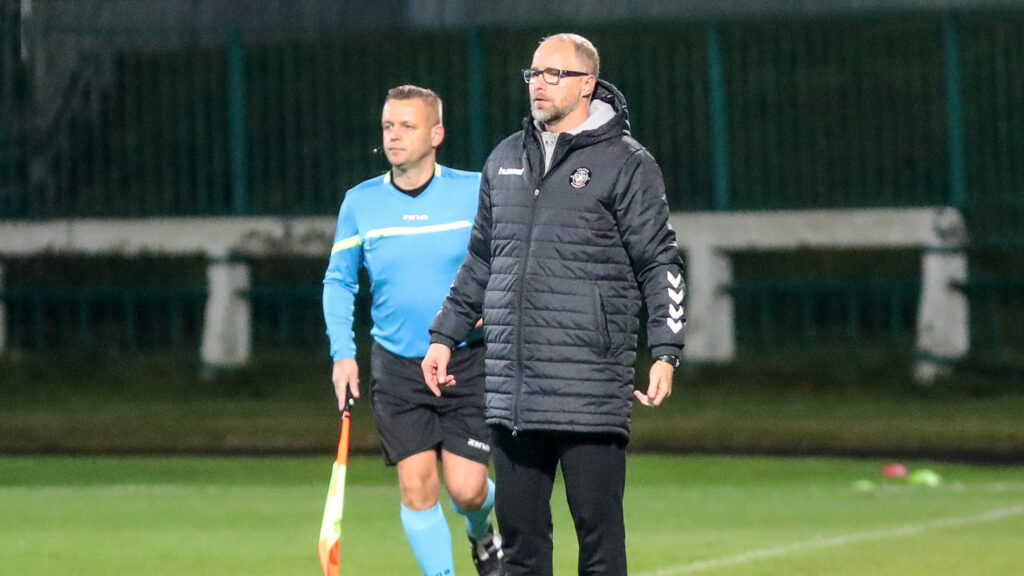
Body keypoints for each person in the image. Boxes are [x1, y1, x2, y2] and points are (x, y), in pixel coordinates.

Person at [421, 34, 685, 576]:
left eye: (554, 74)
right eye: (534, 73)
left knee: (600, 546)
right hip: (514, 390)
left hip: (589, 387)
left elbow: (659, 262)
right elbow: (480, 261)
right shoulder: (505, 158)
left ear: (587, 84)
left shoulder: (626, 163)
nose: (539, 84)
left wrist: (665, 348)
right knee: (522, 552)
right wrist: (444, 336)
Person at [323, 85, 505, 576]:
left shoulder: (473, 191)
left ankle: (483, 535)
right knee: (417, 485)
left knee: (467, 490)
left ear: (437, 133)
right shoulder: (360, 203)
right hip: (399, 366)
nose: (394, 136)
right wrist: (344, 355)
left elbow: (510, 262)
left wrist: (495, 305)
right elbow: (338, 282)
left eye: (407, 126)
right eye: (388, 126)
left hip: (467, 360)